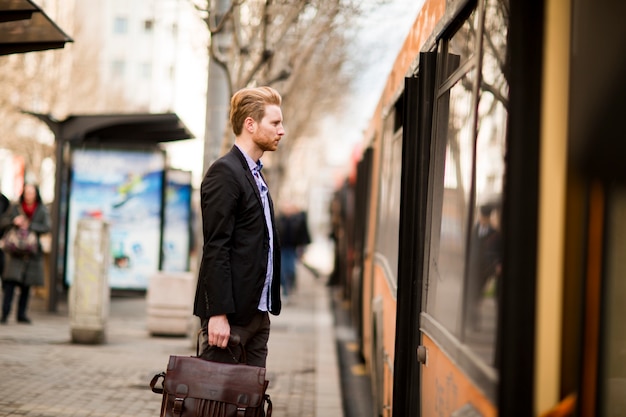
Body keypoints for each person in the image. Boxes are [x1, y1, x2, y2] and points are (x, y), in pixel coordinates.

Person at [194, 86, 285, 367]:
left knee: (250, 405)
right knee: (217, 404)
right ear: (250, 124)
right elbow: (216, 247)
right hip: (231, 319)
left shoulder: (255, 173)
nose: (282, 130)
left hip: (257, 314)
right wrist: (218, 314)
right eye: (275, 123)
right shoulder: (225, 173)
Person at [0, 184, 51, 324]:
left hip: (31, 252)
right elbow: (2, 222)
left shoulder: (41, 209)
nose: (29, 195)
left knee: (26, 286)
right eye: (27, 192)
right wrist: (14, 221)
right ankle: (5, 313)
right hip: (14, 251)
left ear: (36, 194)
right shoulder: (15, 207)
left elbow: (47, 227)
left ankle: (21, 314)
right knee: (10, 284)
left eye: (32, 192)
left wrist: (30, 225)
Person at [465, 204, 501, 330]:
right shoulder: (474, 230)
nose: (483, 219)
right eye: (482, 216)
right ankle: (472, 322)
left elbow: (497, 252)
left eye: (485, 217)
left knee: (477, 295)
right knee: (472, 295)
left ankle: (474, 321)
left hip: (485, 270)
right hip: (472, 268)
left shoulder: (494, 234)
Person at [277, 203, 311, 299]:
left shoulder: (297, 220)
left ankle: (290, 287)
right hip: (282, 248)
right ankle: (285, 290)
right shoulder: (279, 220)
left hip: (292, 249)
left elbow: (302, 235)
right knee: (282, 270)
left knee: (291, 269)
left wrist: (302, 248)